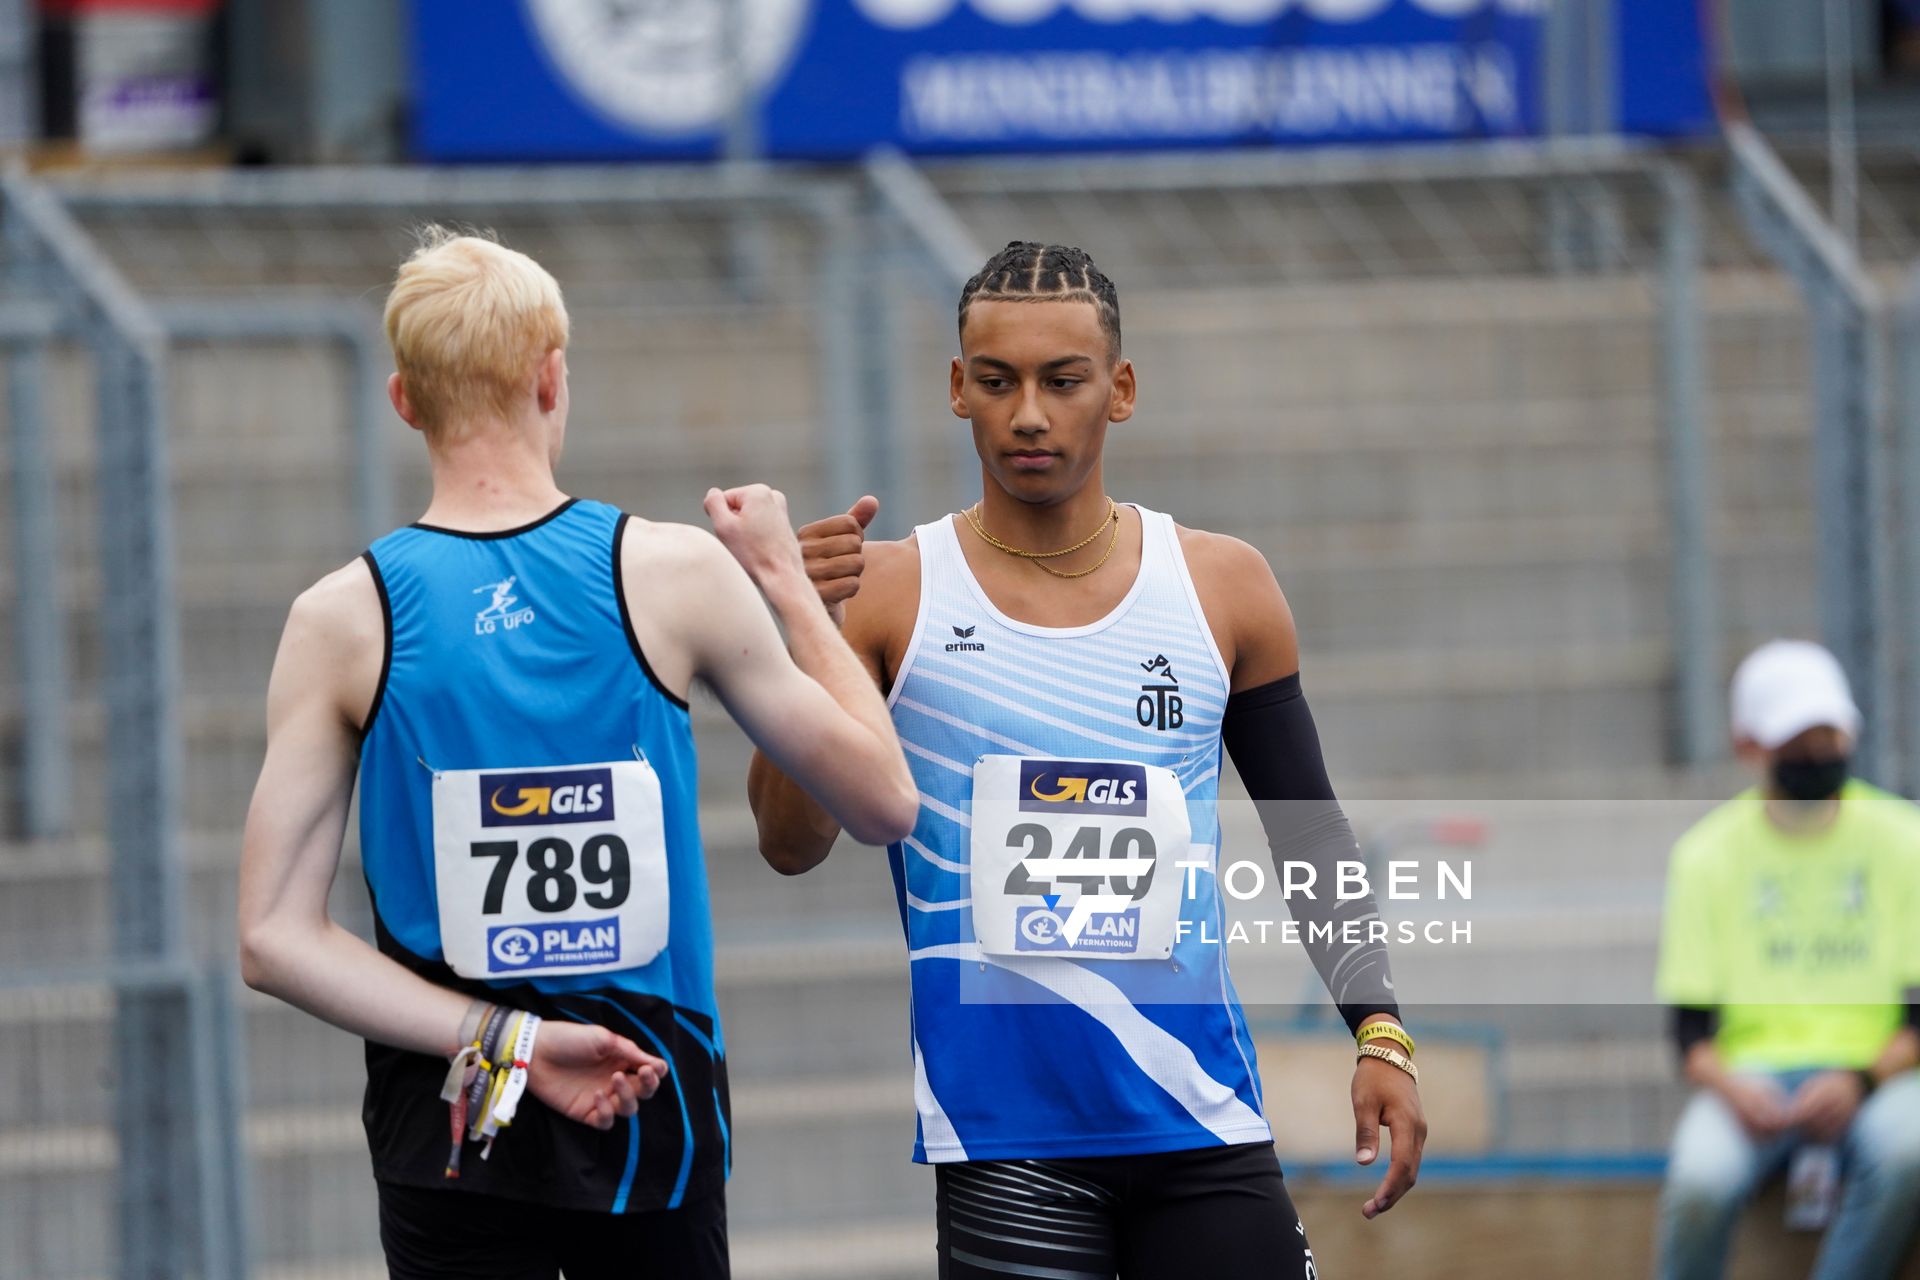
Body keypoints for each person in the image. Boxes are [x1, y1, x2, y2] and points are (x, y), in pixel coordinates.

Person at [236, 229, 918, 1279]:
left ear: (405, 401)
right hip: (654, 1106)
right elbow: (885, 802)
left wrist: (509, 1034)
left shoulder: (342, 617)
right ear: (553, 377)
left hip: (456, 1120)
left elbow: (273, 937)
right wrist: (787, 580)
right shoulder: (674, 573)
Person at [748, 241, 1426, 1278]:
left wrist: (1378, 1026)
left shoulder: (1223, 586)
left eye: (1062, 381)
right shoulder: (888, 593)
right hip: (1006, 1139)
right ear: (955, 390)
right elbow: (790, 844)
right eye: (996, 380)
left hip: (1197, 1113)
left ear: (1120, 390)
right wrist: (806, 632)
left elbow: (1308, 828)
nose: (1028, 412)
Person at [1655, 639, 1920, 1280]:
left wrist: (1858, 1081)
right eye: (1795, 742)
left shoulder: (1903, 839)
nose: (1814, 756)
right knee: (1698, 1182)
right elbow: (1690, 1034)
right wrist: (1736, 1090)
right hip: (1751, 1085)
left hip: (1876, 1076)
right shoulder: (1706, 855)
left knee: (1909, 1149)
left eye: (1824, 737)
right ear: (1751, 744)